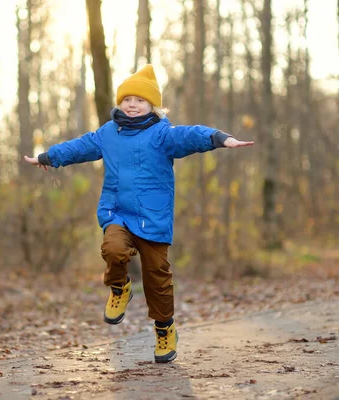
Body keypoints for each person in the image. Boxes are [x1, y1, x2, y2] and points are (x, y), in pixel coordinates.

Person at [24, 64, 254, 363]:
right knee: (113, 248)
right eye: (127, 99)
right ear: (120, 103)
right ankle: (119, 288)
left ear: (153, 106)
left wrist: (220, 138)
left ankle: (164, 329)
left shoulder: (162, 134)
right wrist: (49, 157)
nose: (132, 105)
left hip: (153, 216)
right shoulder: (109, 133)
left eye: (139, 100)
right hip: (117, 211)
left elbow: (190, 136)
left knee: (157, 278)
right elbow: (80, 147)